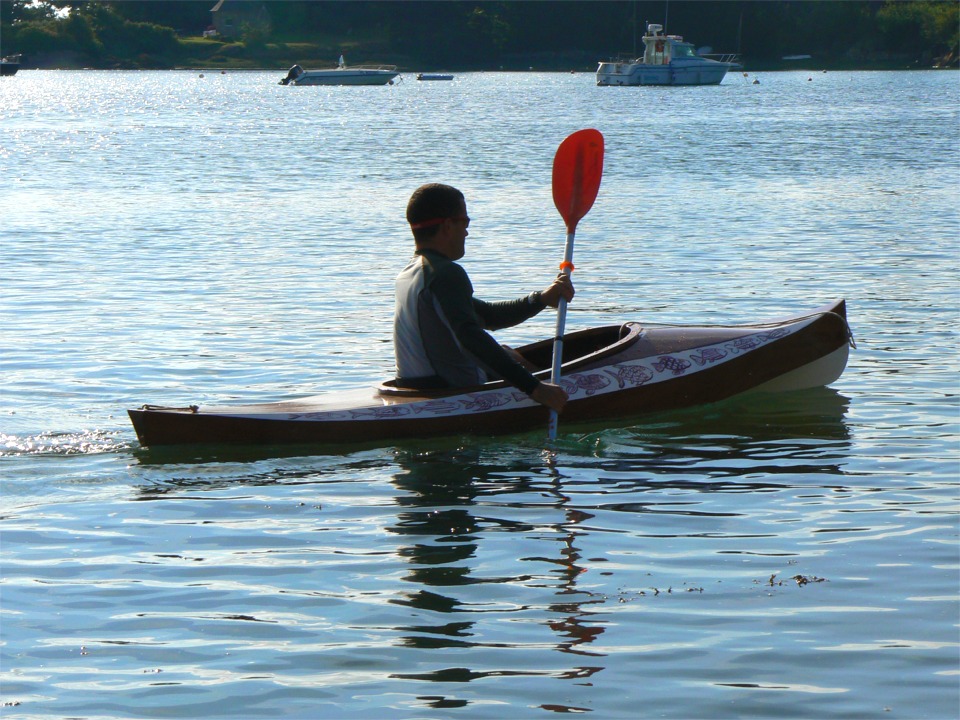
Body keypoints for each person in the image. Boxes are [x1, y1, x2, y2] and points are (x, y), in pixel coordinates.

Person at [394, 183, 574, 413]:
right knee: (513, 358)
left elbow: (487, 315)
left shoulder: (411, 273)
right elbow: (470, 336)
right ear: (448, 225)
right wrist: (536, 389)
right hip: (450, 392)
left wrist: (540, 299)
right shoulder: (446, 273)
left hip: (412, 388)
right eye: (465, 223)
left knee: (507, 353)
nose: (467, 232)